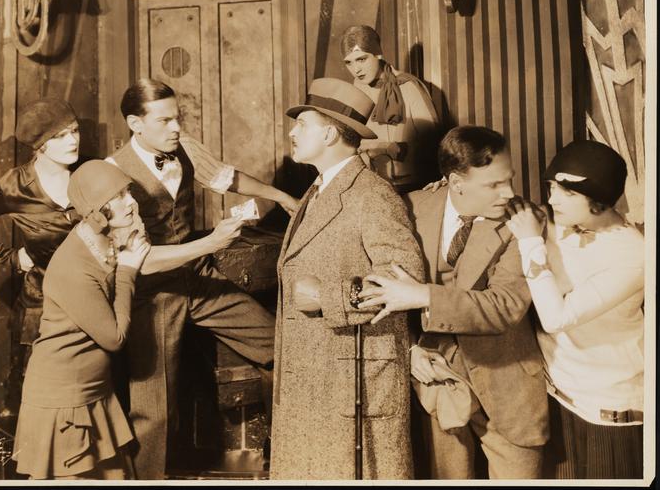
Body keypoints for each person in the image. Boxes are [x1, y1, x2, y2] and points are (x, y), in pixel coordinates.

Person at [106, 78, 299, 479]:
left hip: (197, 278)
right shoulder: (112, 174)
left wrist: (279, 196)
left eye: (177, 117)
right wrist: (211, 242)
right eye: (164, 121)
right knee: (155, 408)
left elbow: (229, 178)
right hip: (153, 292)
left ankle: (289, 459)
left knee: (279, 345)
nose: (176, 127)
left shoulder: (184, 147)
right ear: (135, 124)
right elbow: (138, 262)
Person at [358, 126, 549, 479]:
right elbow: (383, 292)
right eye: (493, 184)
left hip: (508, 387)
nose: (509, 193)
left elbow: (504, 305)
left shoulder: (526, 221)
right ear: (456, 182)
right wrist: (410, 350)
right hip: (435, 381)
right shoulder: (410, 208)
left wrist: (423, 295)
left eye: (509, 179)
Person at [270, 77, 425, 480]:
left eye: (301, 124)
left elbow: (404, 279)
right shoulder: (318, 190)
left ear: (329, 134)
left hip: (351, 383)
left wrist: (328, 296)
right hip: (320, 379)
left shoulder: (372, 194)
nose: (292, 132)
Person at [505, 140, 644, 479]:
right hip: (555, 396)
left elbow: (556, 319)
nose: (553, 199)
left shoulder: (633, 255)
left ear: (598, 199)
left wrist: (530, 243)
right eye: (552, 188)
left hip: (607, 410)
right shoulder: (555, 221)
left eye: (566, 192)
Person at [13, 160, 151, 479]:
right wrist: (128, 271)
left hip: (94, 391)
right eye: (119, 197)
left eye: (128, 192)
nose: (132, 202)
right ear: (97, 212)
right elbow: (114, 338)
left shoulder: (99, 239)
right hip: (64, 402)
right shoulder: (73, 268)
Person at [0, 98, 82, 410]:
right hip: (43, 304)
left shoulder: (89, 171)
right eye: (60, 136)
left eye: (75, 131)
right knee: (41, 391)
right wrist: (9, 257)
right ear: (40, 145)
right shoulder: (15, 185)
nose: (73, 140)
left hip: (94, 297)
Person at [340, 24, 442, 193]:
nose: (356, 69)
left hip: (411, 186)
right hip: (371, 185)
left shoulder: (408, 86)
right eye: (349, 63)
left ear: (378, 54)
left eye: (362, 59)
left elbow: (432, 143)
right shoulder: (355, 89)